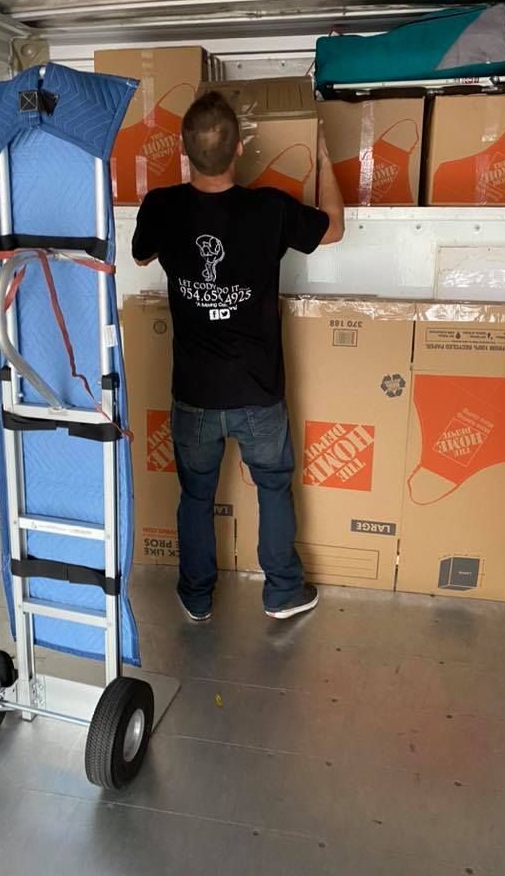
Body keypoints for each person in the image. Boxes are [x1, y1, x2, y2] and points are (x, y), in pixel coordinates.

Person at [132, 90, 345, 622]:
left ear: (184, 153)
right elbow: (334, 226)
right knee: (273, 488)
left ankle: (197, 596)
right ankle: (281, 592)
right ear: (241, 148)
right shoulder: (269, 208)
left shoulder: (162, 206)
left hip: (194, 396)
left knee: (196, 496)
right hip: (258, 394)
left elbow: (141, 252)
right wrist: (321, 157)